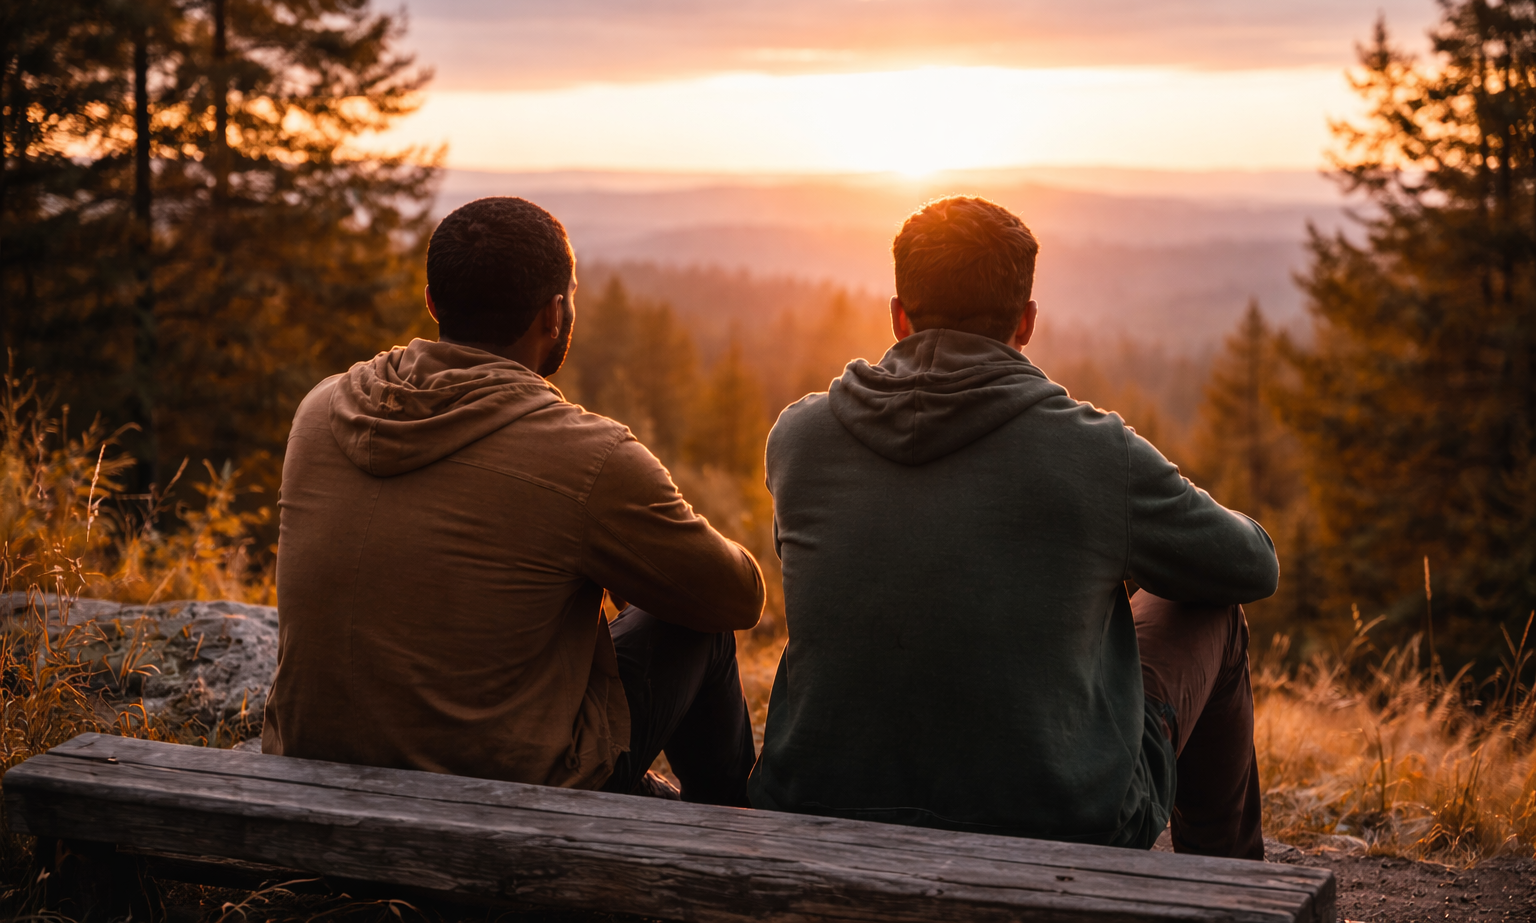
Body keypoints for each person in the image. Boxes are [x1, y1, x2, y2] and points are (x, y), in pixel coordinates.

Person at [747, 195, 1279, 858]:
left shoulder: (799, 437)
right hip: (1063, 821)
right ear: (1026, 322)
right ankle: (1228, 892)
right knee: (1211, 611)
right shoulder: (1092, 450)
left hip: (815, 800)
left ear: (897, 316)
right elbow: (1252, 564)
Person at [262, 196, 763, 805]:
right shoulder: (589, 456)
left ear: (432, 303)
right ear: (554, 314)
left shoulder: (321, 410)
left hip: (311, 776)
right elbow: (737, 595)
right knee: (698, 625)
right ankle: (726, 846)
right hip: (505, 804)